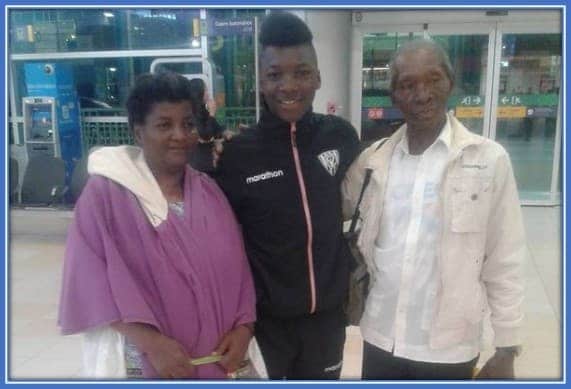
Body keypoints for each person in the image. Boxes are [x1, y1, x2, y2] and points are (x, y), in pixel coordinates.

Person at [342, 39, 526, 380]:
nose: (421, 94)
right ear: (393, 94)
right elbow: (335, 212)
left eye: (433, 80)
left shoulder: (488, 160)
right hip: (379, 336)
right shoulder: (373, 162)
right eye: (407, 85)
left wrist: (507, 348)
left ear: (450, 83)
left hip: (450, 346)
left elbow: (505, 259)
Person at [58, 72, 256, 379]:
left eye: (188, 124)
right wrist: (152, 344)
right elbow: (89, 282)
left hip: (213, 362)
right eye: (164, 125)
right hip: (144, 363)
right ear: (139, 133)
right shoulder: (105, 197)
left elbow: (239, 272)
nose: (180, 134)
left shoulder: (210, 193)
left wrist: (244, 328)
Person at [197, 12, 360, 379]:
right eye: (275, 75)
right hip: (265, 326)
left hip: (326, 322)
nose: (288, 86)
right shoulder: (237, 156)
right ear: (261, 81)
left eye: (301, 72)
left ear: (318, 77)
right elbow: (222, 247)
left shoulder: (341, 137)